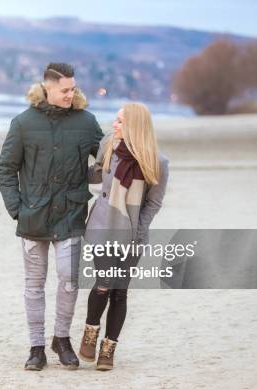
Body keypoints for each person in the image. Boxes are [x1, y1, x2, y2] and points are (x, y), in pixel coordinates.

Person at [0, 62, 104, 370]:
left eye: (74, 89)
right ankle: (36, 347)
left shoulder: (86, 122)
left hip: (70, 215)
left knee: (70, 281)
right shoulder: (23, 123)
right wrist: (16, 208)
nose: (72, 94)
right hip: (33, 216)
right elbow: (6, 168)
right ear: (47, 88)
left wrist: (89, 177)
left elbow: (104, 164)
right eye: (65, 90)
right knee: (34, 284)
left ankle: (62, 339)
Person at [78, 102, 169, 370]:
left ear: (135, 126)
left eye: (120, 121)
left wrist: (137, 233)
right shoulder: (109, 144)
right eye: (115, 120)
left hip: (132, 234)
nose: (114, 125)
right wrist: (64, 171)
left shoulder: (158, 162)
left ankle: (108, 349)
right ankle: (90, 332)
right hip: (102, 225)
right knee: (104, 283)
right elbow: (96, 175)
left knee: (120, 292)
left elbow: (153, 203)